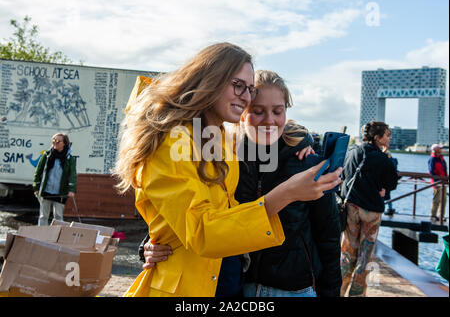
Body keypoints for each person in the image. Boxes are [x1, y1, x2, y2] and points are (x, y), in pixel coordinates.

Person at [113, 43, 342, 297]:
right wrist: (151, 242)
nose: (245, 96)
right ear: (211, 79)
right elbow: (196, 226)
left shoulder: (218, 139)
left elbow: (327, 235)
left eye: (250, 89)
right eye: (238, 85)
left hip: (239, 284)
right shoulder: (174, 141)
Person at [340, 121, 399, 297]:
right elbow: (391, 183)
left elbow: (343, 175)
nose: (389, 138)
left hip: (350, 207)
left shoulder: (351, 152)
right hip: (371, 210)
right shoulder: (383, 158)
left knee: (347, 250)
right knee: (365, 254)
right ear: (378, 137)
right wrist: (380, 188)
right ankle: (357, 294)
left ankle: (339, 290)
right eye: (387, 135)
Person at [33, 133, 77, 226]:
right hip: (46, 190)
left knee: (58, 216)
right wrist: (36, 187)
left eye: (58, 141)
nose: (55, 143)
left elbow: (72, 174)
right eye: (53, 140)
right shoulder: (47, 155)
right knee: (43, 216)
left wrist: (71, 190)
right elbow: (38, 171)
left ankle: (56, 236)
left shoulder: (69, 158)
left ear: (64, 143)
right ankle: (41, 234)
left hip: (60, 191)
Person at [428, 143, 448, 222]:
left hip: (443, 182)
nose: (441, 150)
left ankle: (441, 216)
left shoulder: (441, 158)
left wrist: (446, 179)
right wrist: (436, 182)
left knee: (444, 200)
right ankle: (433, 215)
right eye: (439, 148)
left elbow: (444, 169)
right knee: (436, 200)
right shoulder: (432, 159)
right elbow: (431, 171)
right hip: (437, 182)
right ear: (435, 150)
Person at [382, 146, 398, 216]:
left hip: (385, 181)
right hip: (390, 181)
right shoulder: (394, 161)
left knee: (383, 195)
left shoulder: (388, 161)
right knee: (388, 196)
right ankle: (390, 208)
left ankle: (382, 209)